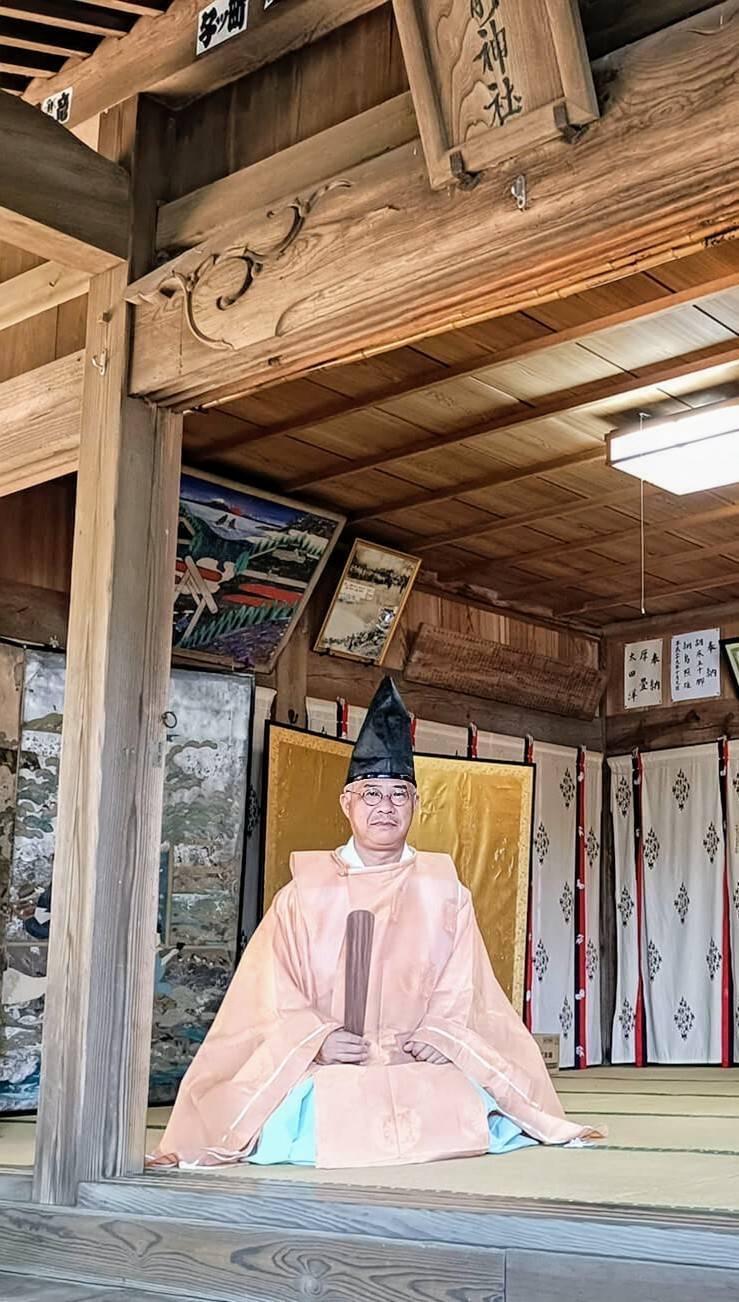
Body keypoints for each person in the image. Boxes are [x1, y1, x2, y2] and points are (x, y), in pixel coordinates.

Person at [150, 677, 599, 1170]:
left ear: (416, 804)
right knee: (305, 1112)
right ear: (347, 804)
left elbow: (463, 985)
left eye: (398, 795)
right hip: (333, 1062)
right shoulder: (305, 891)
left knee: (461, 1095)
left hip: (417, 1055)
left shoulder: (442, 889)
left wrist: (439, 1034)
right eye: (370, 794)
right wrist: (317, 1039)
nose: (384, 807)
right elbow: (271, 991)